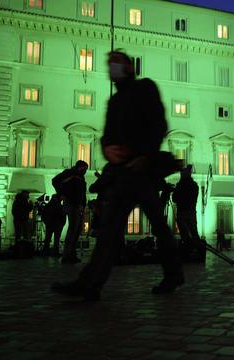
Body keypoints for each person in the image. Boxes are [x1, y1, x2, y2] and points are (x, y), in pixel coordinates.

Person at [51, 50, 183, 300]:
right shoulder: (114, 101)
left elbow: (158, 125)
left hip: (142, 170)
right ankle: (90, 284)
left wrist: (144, 154)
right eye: (110, 64)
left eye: (117, 63)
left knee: (157, 226)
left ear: (130, 67)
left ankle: (172, 274)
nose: (113, 67)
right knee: (111, 229)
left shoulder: (145, 88)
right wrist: (107, 148)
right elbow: (106, 136)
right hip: (123, 173)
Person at [52, 160, 88, 264]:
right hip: (71, 204)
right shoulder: (69, 173)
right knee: (72, 229)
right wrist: (61, 194)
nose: (85, 170)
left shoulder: (81, 177)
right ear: (79, 167)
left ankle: (72, 254)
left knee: (77, 231)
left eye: (86, 169)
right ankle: (66, 256)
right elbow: (55, 180)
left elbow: (82, 192)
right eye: (84, 168)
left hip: (78, 205)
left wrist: (83, 204)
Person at [172, 165, 202, 255]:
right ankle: (197, 252)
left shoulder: (180, 185)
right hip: (191, 212)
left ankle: (188, 251)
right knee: (194, 233)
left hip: (182, 213)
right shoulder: (195, 186)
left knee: (184, 234)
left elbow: (174, 199)